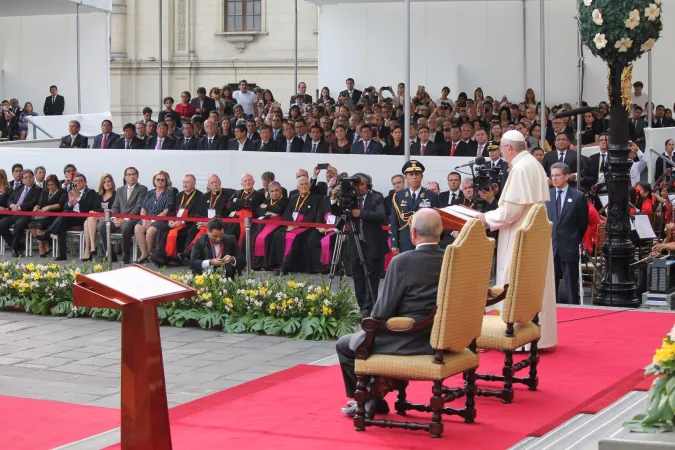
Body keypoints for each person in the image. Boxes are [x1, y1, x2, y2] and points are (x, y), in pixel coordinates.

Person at [336, 208, 445, 417]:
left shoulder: (404, 261)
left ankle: (366, 399)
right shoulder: (451, 257)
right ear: (440, 231)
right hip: (441, 336)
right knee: (364, 339)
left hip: (410, 337)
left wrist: (369, 322)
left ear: (412, 233)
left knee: (347, 344)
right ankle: (373, 398)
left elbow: (382, 311)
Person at [476, 130, 557, 349]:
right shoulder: (533, 163)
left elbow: (510, 212)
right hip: (533, 233)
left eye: (502, 149)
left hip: (521, 235)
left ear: (509, 149)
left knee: (516, 283)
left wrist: (485, 217)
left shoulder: (521, 168)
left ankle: (517, 339)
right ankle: (537, 336)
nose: (502, 154)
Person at [330, 173, 389, 316]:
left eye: (362, 184)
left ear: (368, 185)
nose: (359, 187)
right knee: (357, 275)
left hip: (373, 243)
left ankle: (369, 308)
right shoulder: (350, 197)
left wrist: (360, 213)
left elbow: (380, 216)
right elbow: (337, 212)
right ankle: (361, 305)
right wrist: (334, 198)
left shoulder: (377, 197)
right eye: (356, 185)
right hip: (355, 242)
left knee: (371, 276)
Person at [545, 163, 589, 305]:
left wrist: (574, 238)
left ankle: (573, 310)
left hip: (569, 245)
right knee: (551, 284)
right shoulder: (548, 195)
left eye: (557, 175)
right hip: (551, 246)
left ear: (566, 176)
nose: (554, 179)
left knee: (571, 283)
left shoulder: (578, 196)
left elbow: (583, 222)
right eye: (552, 176)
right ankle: (552, 310)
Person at [37, 173, 98, 261]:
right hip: (72, 216)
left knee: (63, 216)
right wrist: (70, 202)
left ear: (85, 182)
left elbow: (88, 208)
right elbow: (65, 207)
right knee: (62, 221)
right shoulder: (71, 192)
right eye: (76, 181)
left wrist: (79, 198)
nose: (78, 183)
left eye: (80, 181)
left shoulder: (90, 192)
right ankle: (62, 254)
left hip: (84, 218)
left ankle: (48, 232)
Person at [266, 176, 320, 273]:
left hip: (305, 226)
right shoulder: (294, 198)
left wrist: (297, 225)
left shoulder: (316, 198)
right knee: (278, 235)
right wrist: (289, 224)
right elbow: (287, 212)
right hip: (291, 224)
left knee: (296, 237)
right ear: (297, 187)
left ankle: (286, 265)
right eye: (302, 185)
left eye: (306, 184)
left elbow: (312, 215)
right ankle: (278, 263)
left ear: (309, 185)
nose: (304, 186)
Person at [99, 167, 148, 264]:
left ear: (137, 176)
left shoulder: (142, 189)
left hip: (134, 218)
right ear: (125, 177)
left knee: (126, 226)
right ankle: (110, 254)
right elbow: (115, 207)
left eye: (133, 174)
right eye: (129, 175)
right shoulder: (120, 189)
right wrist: (114, 219)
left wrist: (125, 219)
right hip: (118, 218)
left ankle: (126, 254)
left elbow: (138, 207)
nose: (131, 177)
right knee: (102, 225)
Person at [391, 160, 440, 254]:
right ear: (405, 177)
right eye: (411, 174)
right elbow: (394, 222)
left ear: (422, 176)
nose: (414, 177)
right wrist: (394, 243)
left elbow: (437, 220)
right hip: (404, 241)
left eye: (417, 174)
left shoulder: (431, 195)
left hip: (426, 240)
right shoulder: (398, 196)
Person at [155, 174, 203, 264]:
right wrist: (171, 220)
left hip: (189, 223)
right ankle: (161, 255)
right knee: (163, 229)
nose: (185, 185)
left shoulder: (200, 196)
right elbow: (171, 210)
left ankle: (179, 257)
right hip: (176, 222)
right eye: (183, 182)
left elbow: (198, 214)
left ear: (194, 183)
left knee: (188, 231)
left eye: (187, 183)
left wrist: (182, 221)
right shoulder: (178, 195)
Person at [134, 171, 174, 263]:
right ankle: (144, 254)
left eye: (162, 180)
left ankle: (147, 254)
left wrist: (152, 221)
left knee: (150, 230)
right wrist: (144, 220)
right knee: (138, 227)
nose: (160, 182)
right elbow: (143, 209)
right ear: (154, 181)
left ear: (166, 181)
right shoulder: (150, 193)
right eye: (158, 179)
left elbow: (165, 211)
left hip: (161, 219)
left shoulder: (169, 193)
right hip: (147, 218)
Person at [0, 170, 41, 257]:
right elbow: (10, 199)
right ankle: (16, 246)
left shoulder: (37, 189)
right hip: (14, 212)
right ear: (22, 180)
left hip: (26, 214)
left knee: (19, 225)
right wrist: (11, 205)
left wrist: (19, 207)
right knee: (2, 223)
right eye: (26, 178)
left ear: (33, 178)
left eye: (30, 177)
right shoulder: (18, 188)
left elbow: (33, 202)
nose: (28, 179)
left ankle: (15, 249)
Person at [250, 181, 289, 269]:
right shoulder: (267, 200)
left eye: (277, 190)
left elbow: (279, 210)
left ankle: (266, 264)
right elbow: (258, 212)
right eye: (272, 191)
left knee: (267, 237)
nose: (275, 193)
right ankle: (256, 264)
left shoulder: (285, 200)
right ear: (269, 192)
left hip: (278, 224)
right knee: (251, 236)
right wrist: (271, 212)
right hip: (264, 223)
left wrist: (267, 208)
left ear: (281, 191)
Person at [27, 174, 66, 258]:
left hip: (54, 216)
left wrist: (48, 207)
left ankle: (41, 248)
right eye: (48, 185)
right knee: (30, 225)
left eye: (52, 185)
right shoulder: (45, 192)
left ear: (56, 184)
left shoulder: (62, 192)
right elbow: (40, 203)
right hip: (43, 214)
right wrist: (37, 207)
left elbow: (60, 205)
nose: (50, 187)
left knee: (39, 226)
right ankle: (45, 244)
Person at [82, 173, 116, 261]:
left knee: (89, 219)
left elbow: (113, 208)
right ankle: (91, 247)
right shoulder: (98, 195)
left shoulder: (116, 194)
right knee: (87, 221)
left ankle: (89, 248)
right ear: (102, 184)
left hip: (109, 218)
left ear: (112, 182)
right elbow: (94, 207)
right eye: (104, 182)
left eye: (109, 181)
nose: (107, 184)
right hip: (97, 218)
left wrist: (100, 211)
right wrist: (100, 211)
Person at [223, 173, 264, 246]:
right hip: (234, 220)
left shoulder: (259, 194)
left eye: (249, 180)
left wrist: (237, 202)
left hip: (249, 222)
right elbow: (229, 205)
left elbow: (252, 205)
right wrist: (244, 204)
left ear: (253, 182)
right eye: (245, 181)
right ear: (242, 184)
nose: (248, 182)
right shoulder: (237, 193)